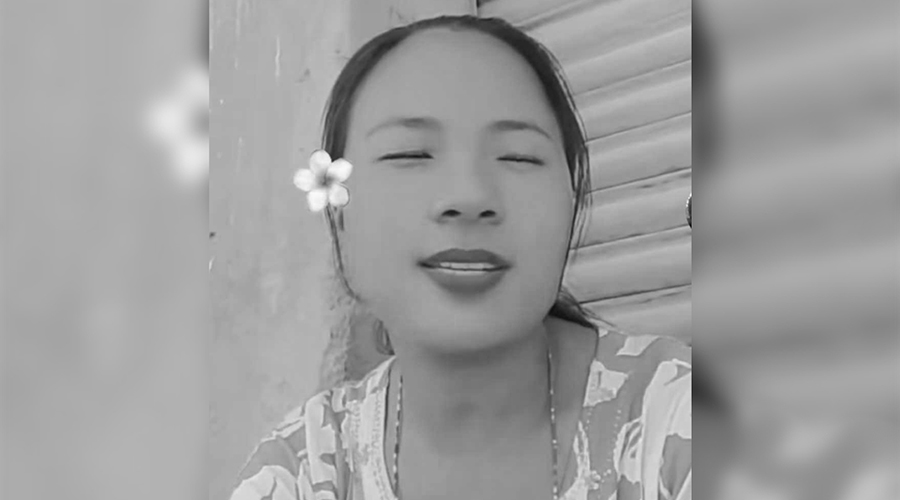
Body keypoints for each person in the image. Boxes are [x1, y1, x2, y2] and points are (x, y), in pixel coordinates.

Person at [230, 15, 691, 500]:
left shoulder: (681, 422)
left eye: (517, 156)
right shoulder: (304, 468)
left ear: (570, 200)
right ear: (339, 217)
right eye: (409, 154)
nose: (468, 196)